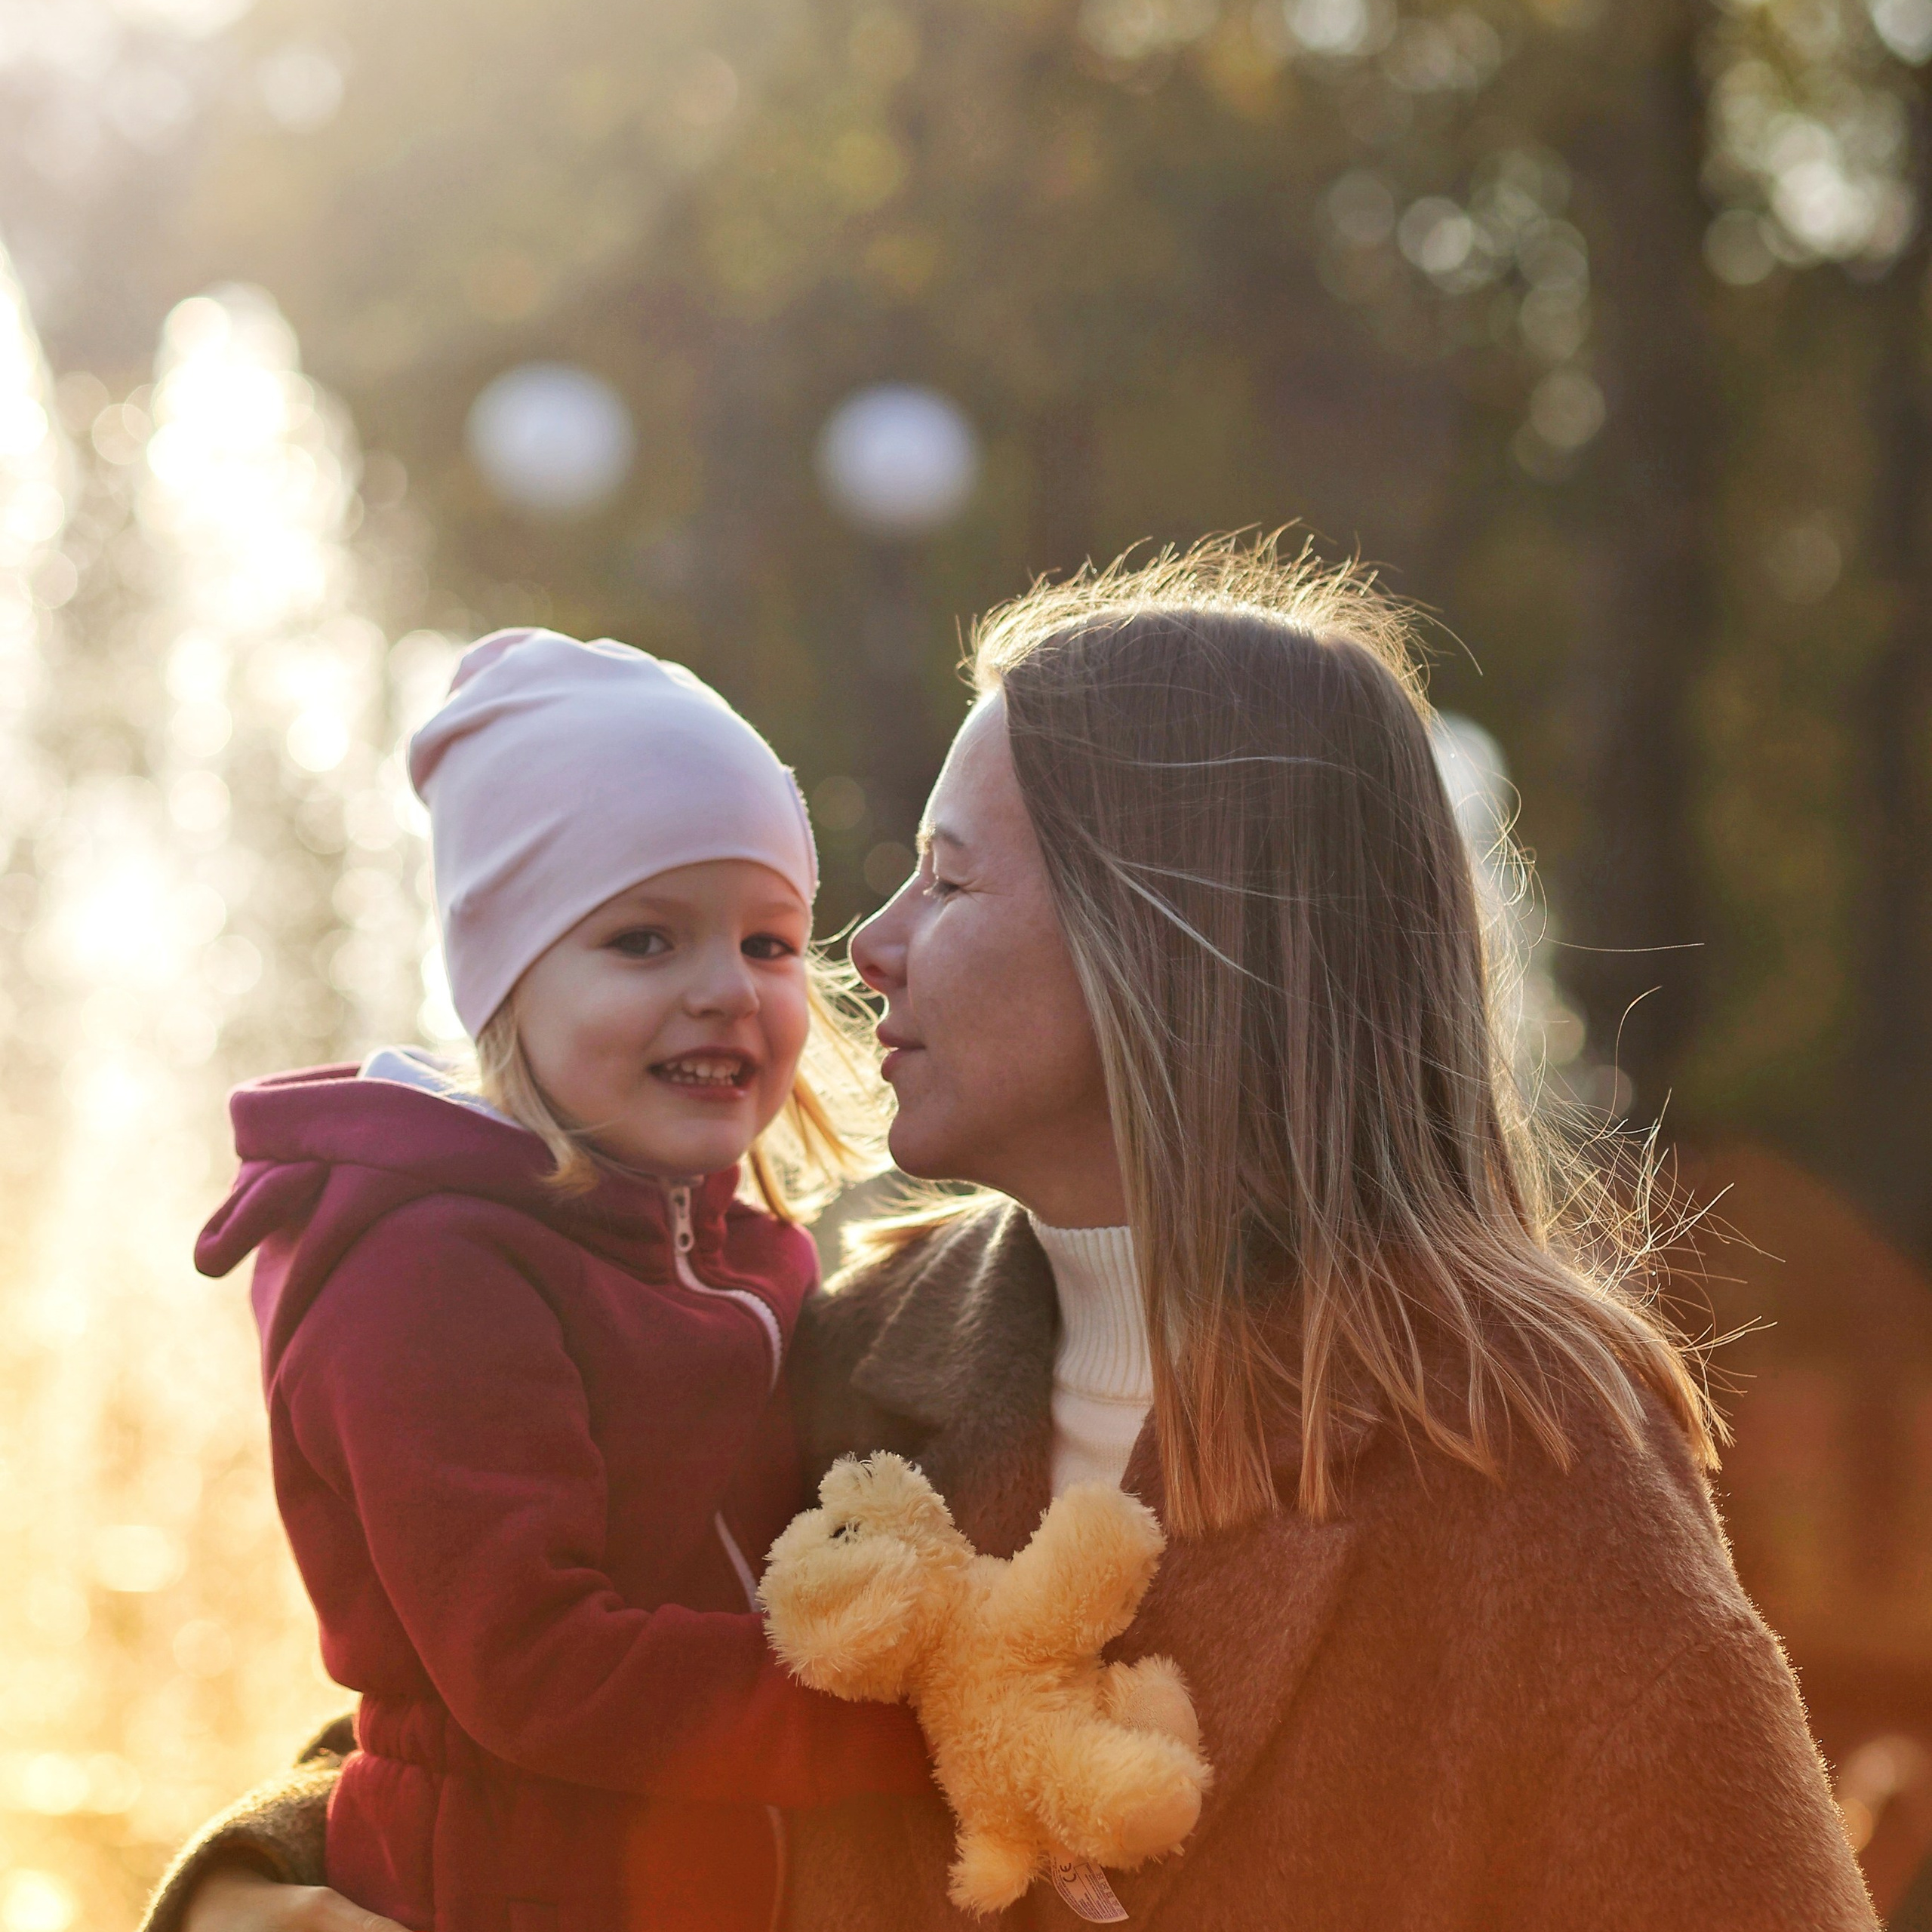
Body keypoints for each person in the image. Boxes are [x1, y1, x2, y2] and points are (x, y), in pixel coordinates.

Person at [149, 544, 1877, 1931]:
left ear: (1163, 943)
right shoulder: (850, 1352)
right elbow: (500, 1709)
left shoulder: (1523, 1466)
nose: (866, 949)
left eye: (948, 879)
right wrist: (254, 1890)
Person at [180, 628, 937, 1932]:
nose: (724, 992)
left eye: (768, 942)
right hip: (508, 1886)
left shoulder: (737, 1242)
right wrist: (913, 1718)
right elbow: (536, 1663)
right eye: (645, 941)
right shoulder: (430, 1269)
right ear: (505, 984)